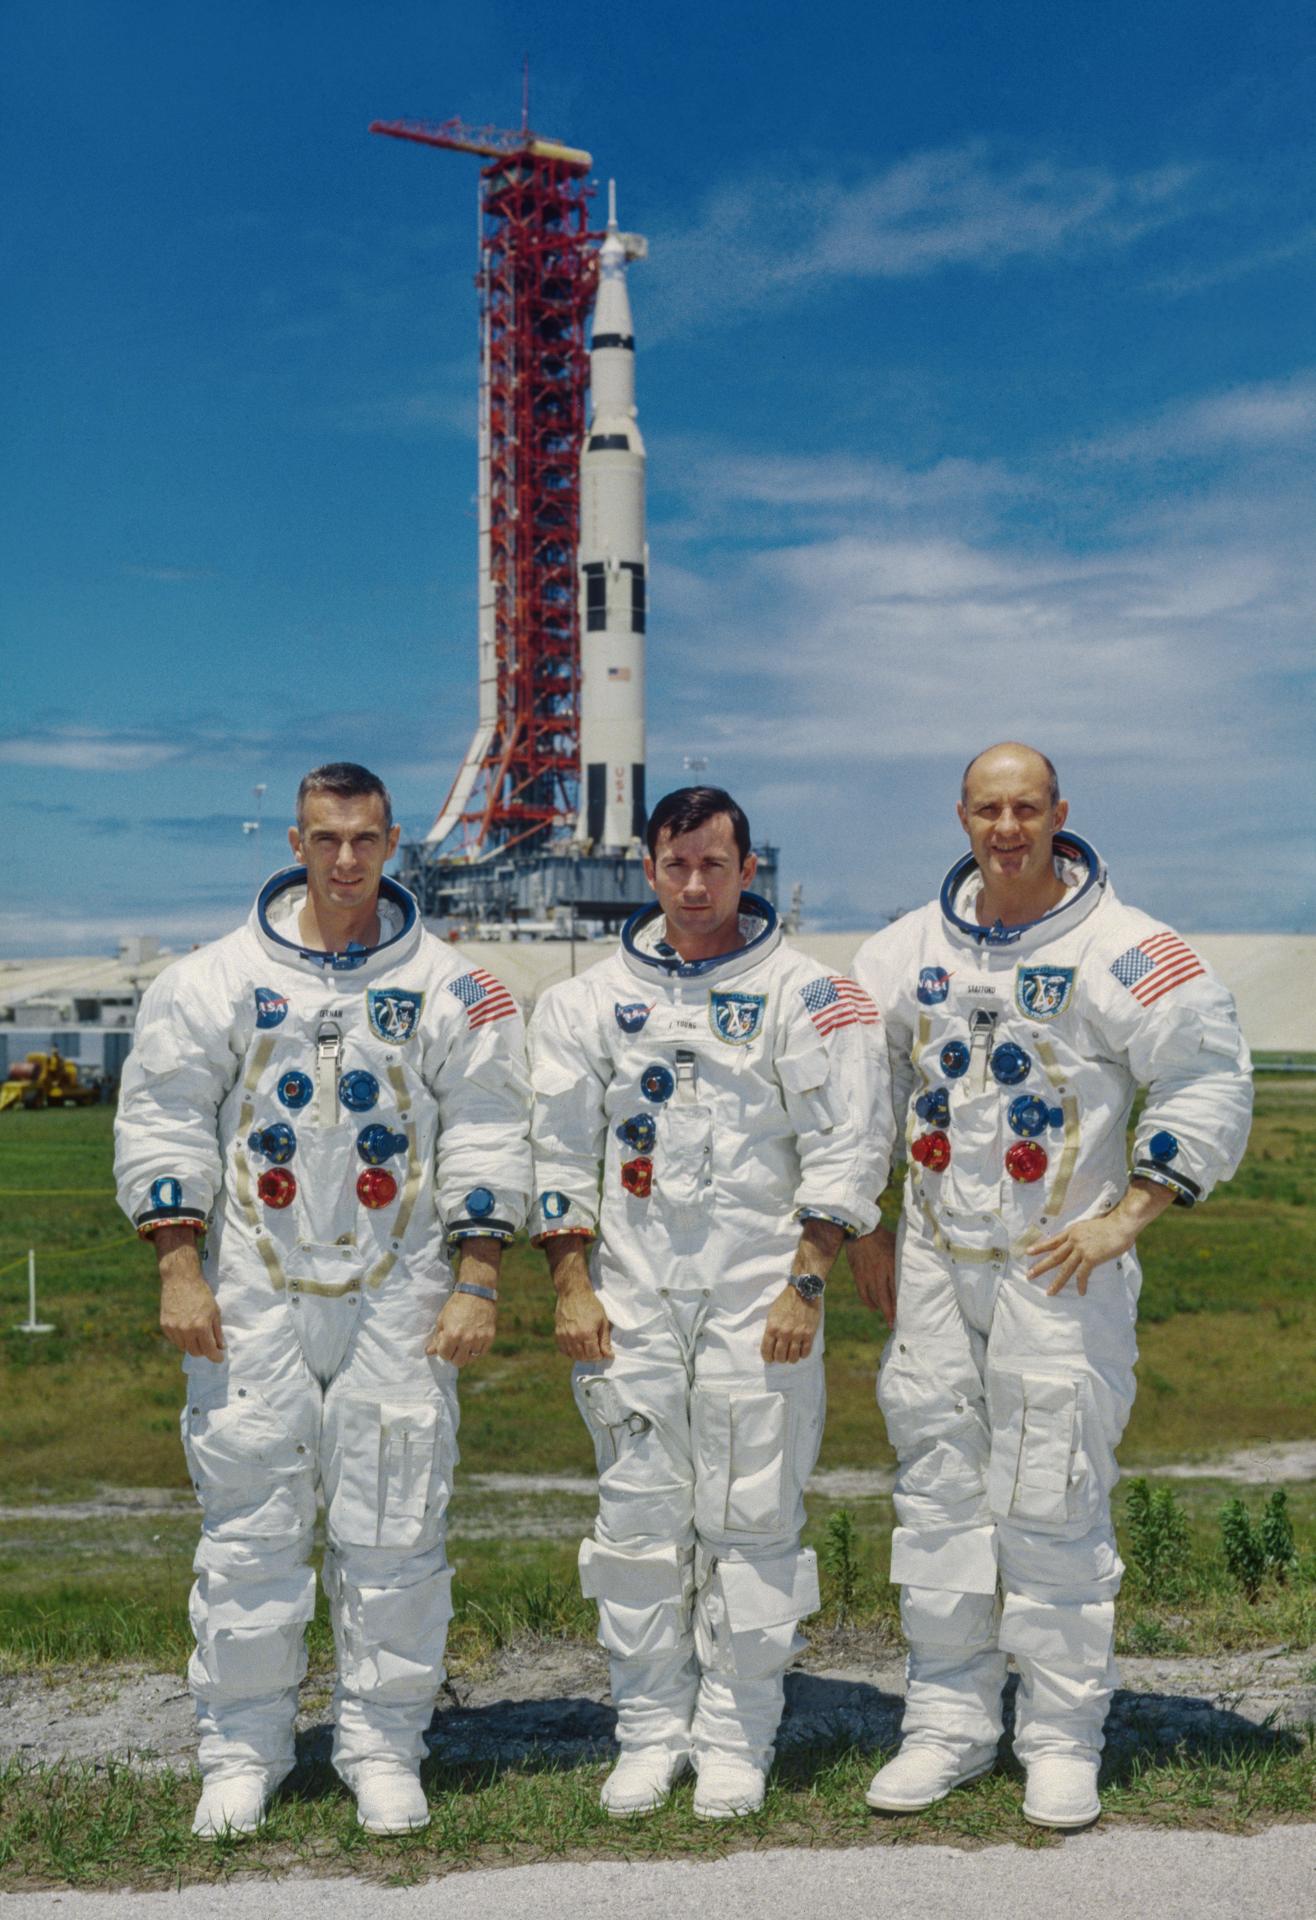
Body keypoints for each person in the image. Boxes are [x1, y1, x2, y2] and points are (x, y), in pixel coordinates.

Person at [114, 763, 530, 1838]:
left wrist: (477, 1278)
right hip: (252, 1276)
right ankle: (242, 1750)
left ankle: (382, 1747)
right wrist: (177, 1265)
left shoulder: (454, 984)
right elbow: (163, 1117)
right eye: (323, 840)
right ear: (294, 842)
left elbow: (489, 1125)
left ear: (392, 842)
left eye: (363, 840)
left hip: (402, 1285)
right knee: (248, 1523)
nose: (344, 861)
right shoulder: (210, 980)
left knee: (394, 1521)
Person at [850, 742, 1252, 1830]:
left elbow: (1208, 1071)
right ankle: (945, 1725)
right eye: (987, 809)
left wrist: (1132, 1209)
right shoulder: (902, 950)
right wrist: (863, 1223)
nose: (1006, 828)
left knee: (1051, 1497)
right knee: (936, 1494)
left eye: (1025, 807)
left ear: (1058, 813)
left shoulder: (1126, 949)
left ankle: (1061, 1739)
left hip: (1055, 1267)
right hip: (936, 1259)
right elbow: (858, 1083)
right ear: (961, 817)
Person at [528, 786, 892, 1820]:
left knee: (751, 1518)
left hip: (755, 1293)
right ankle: (648, 1731)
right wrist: (568, 1283)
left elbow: (847, 1143)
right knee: (638, 1523)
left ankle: (736, 1738)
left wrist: (806, 1280)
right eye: (675, 865)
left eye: (714, 866)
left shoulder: (812, 996)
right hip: (629, 1294)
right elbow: (555, 1149)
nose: (694, 886)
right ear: (647, 868)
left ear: (746, 871)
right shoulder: (581, 1003)